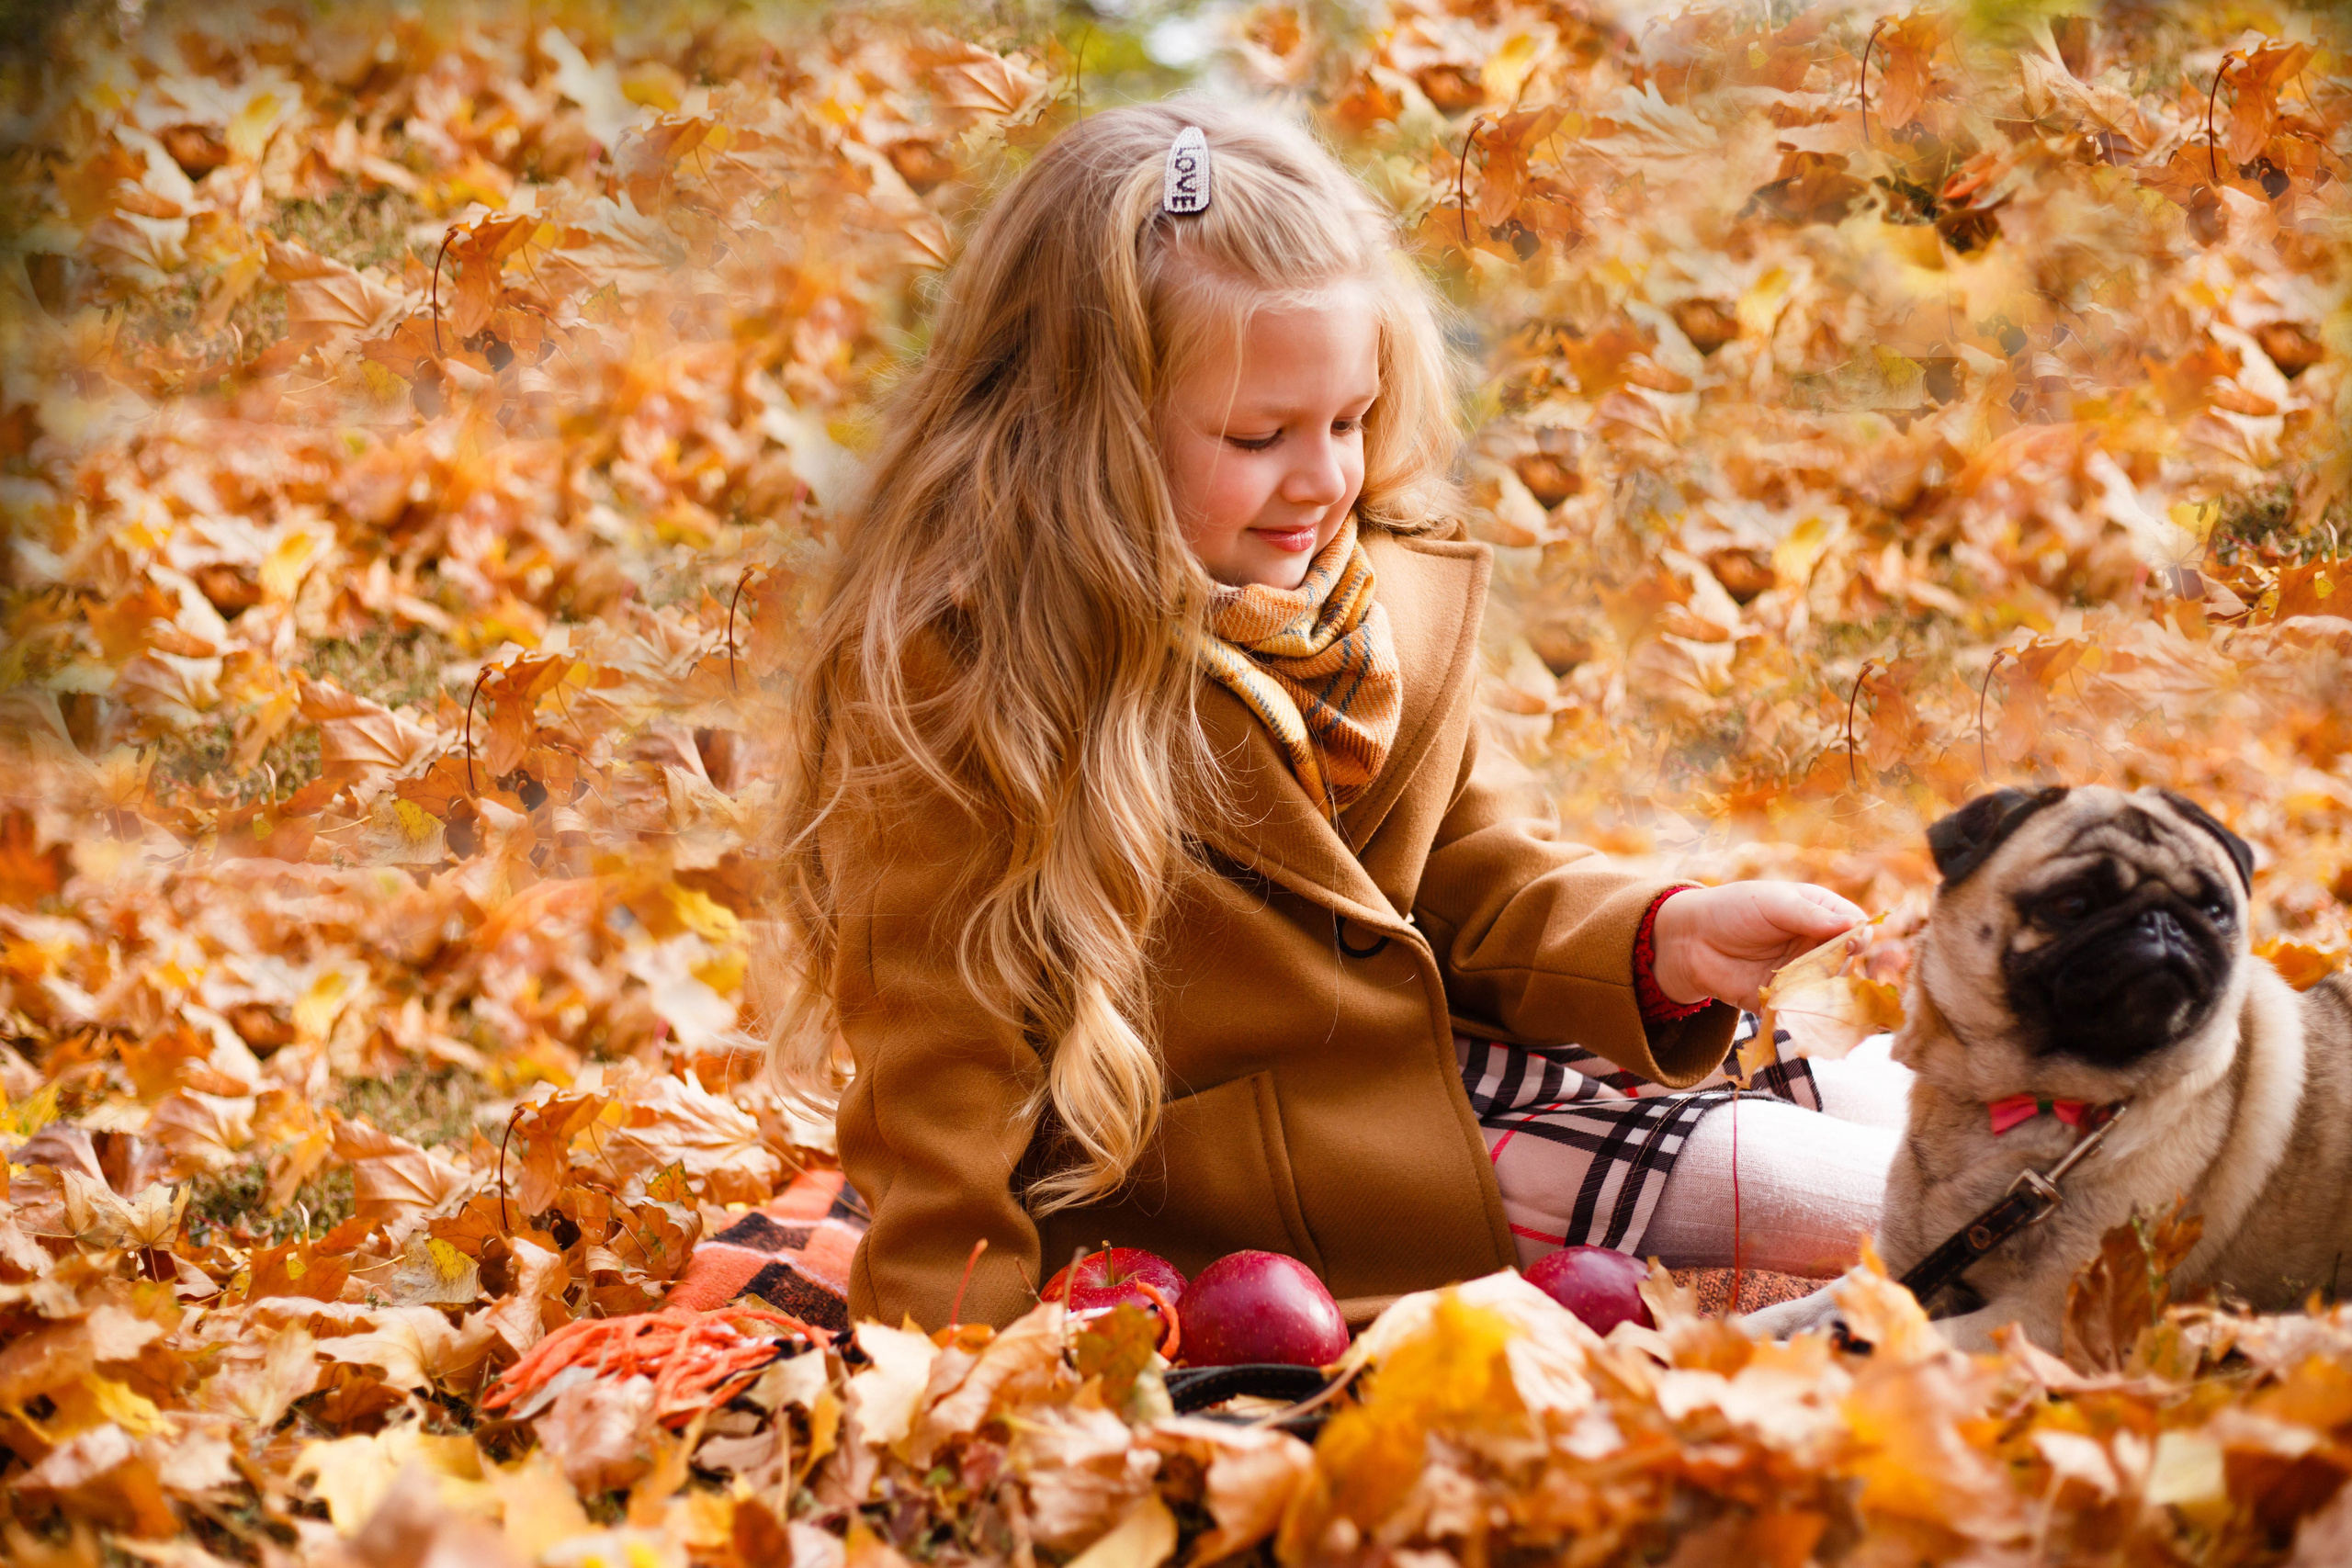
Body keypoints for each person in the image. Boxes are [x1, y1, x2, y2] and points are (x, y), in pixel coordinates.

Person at [765, 101, 1909, 1332]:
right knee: (1842, 1189)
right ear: (1082, 430)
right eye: (1258, 437)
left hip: (1472, 1059)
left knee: (1893, 1099)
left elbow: (1475, 869)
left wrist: (1663, 939)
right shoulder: (974, 672)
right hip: (1276, 1173)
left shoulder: (1371, 598)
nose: (1323, 480)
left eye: (1350, 422)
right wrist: (948, 1361)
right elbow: (943, 1062)